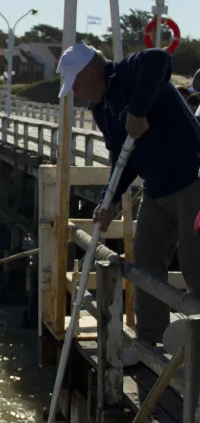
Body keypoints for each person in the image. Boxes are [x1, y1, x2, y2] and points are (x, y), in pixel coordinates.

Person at [57, 43, 200, 348]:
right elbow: (122, 159)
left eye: (78, 83)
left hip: (192, 180)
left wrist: (137, 111)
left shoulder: (129, 72)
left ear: (92, 71)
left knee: (193, 258)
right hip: (156, 190)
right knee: (146, 260)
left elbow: (159, 58)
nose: (78, 92)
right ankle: (152, 339)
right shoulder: (101, 108)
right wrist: (107, 202)